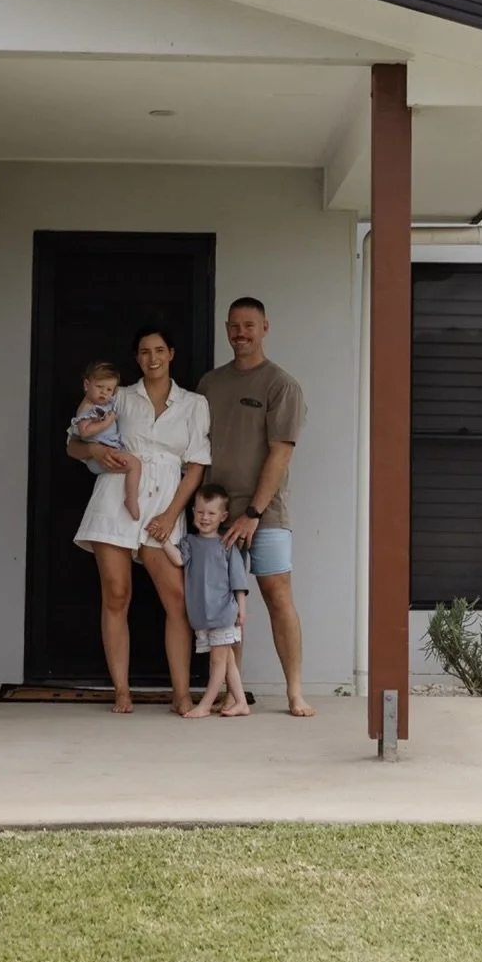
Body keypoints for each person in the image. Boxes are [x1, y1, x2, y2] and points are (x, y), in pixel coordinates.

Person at [148, 296, 314, 717]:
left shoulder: (281, 385)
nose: (241, 333)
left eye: (249, 325)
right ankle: (231, 694)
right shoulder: (210, 384)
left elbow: (281, 453)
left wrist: (253, 514)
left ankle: (295, 692)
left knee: (277, 595)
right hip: (216, 517)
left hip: (265, 514)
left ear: (265, 328)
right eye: (234, 326)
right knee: (223, 606)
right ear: (226, 329)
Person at [69, 326, 210, 715]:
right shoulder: (119, 396)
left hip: (165, 500)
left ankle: (181, 693)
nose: (153, 358)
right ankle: (121, 690)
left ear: (171, 354)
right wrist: (94, 450)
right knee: (116, 594)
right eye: (145, 351)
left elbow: (197, 466)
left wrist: (171, 514)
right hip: (117, 495)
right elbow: (73, 444)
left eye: (160, 350)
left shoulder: (194, 403)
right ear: (136, 358)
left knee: (176, 598)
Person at [163, 484, 251, 718]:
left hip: (223, 613)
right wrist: (162, 540)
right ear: (193, 512)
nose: (205, 518)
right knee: (228, 661)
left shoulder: (227, 544)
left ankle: (205, 704)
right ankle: (241, 702)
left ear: (223, 516)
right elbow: (178, 560)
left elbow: (238, 580)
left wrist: (241, 609)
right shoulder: (189, 542)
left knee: (217, 662)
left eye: (211, 513)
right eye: (200, 512)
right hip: (202, 615)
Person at [69, 360, 142, 521]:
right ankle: (131, 500)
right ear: (87, 385)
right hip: (101, 456)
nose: (104, 393)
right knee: (134, 465)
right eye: (99, 387)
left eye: (109, 389)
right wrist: (106, 423)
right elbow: (84, 432)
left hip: (107, 451)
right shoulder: (87, 408)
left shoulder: (102, 403)